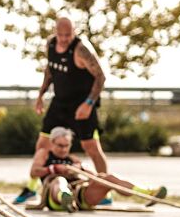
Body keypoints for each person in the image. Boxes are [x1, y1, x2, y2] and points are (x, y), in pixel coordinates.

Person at [13, 16, 109, 205]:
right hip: (60, 103)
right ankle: (32, 188)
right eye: (61, 35)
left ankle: (103, 188)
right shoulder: (50, 44)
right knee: (42, 145)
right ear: (55, 32)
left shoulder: (81, 49)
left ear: (74, 32)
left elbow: (101, 77)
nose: (64, 39)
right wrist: (41, 95)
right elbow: (50, 71)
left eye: (68, 35)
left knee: (91, 148)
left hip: (82, 105)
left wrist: (89, 103)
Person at [30, 126, 165, 211]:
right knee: (60, 180)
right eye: (60, 145)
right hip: (53, 198)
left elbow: (93, 176)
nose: (63, 149)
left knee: (107, 178)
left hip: (79, 196)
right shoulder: (44, 154)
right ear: (52, 143)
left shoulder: (72, 159)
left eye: (66, 146)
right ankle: (65, 197)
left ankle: (147, 193)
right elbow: (34, 172)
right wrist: (54, 169)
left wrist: (80, 169)